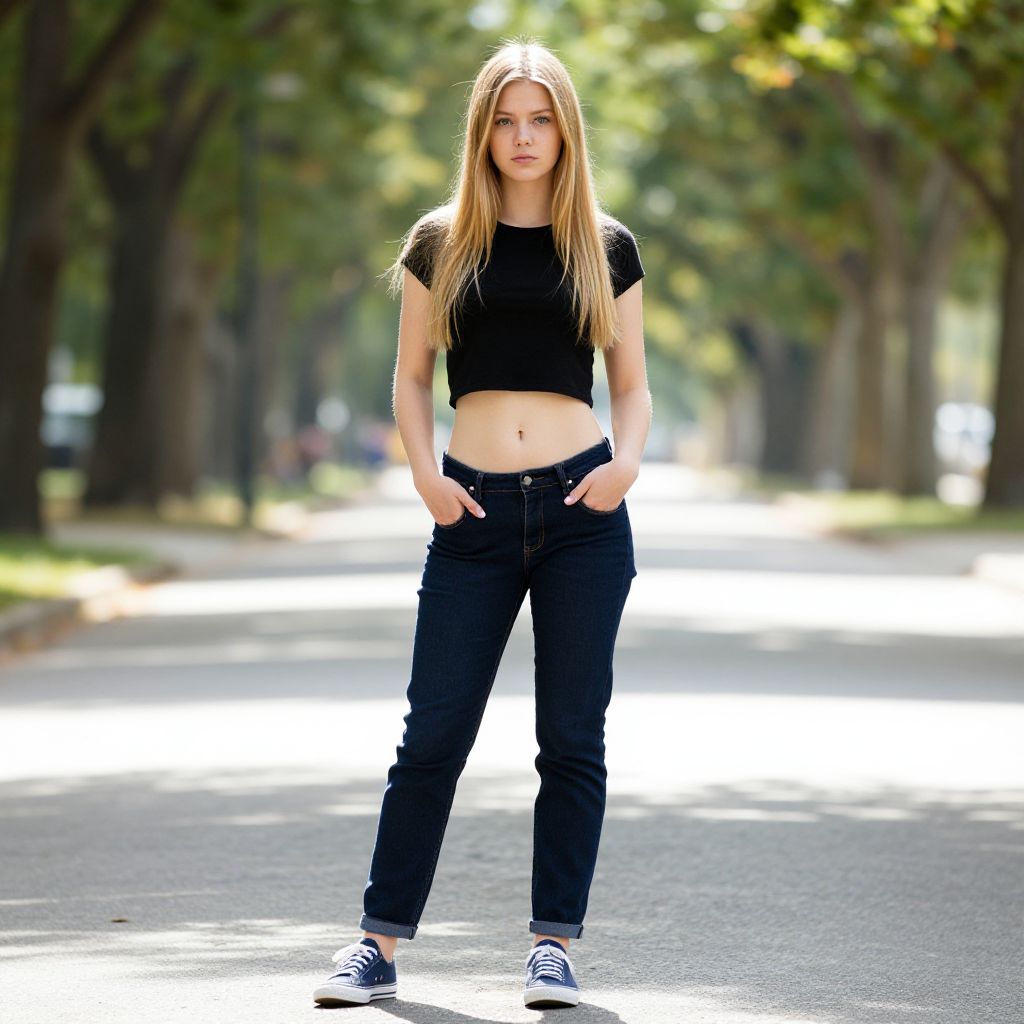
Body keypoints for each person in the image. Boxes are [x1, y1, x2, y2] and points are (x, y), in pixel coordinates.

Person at [313, 36, 650, 1011]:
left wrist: (624, 465)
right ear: (482, 130)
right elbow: (412, 376)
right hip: (469, 507)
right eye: (505, 119)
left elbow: (631, 389)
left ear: (565, 128)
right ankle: (375, 943)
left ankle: (552, 945)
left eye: (540, 117)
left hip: (585, 507)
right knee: (432, 735)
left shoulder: (605, 243)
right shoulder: (440, 238)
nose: (523, 135)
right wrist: (423, 473)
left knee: (571, 738)